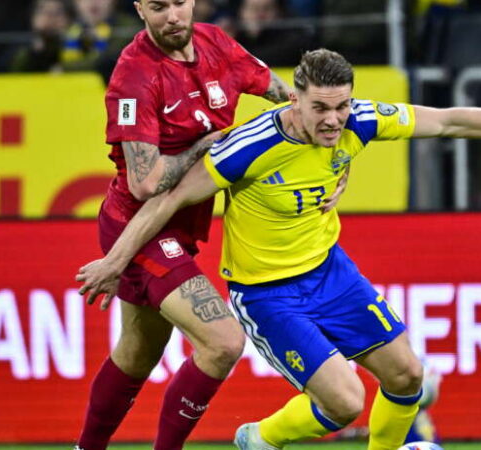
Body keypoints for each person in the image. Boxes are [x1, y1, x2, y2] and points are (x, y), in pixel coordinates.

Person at [76, 48, 481, 449]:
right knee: (346, 402)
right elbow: (167, 199)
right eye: (321, 109)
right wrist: (114, 261)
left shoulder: (360, 121)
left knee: (408, 375)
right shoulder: (250, 147)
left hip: (330, 273)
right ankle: (260, 438)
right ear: (295, 100)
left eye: (342, 106)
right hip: (267, 294)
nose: (334, 120)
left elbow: (448, 119)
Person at [71, 1, 313, 449]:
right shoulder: (133, 77)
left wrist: (329, 135)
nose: (173, 16)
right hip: (139, 227)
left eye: (180, 2)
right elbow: (145, 183)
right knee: (223, 342)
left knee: (136, 353)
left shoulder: (215, 41)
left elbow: (284, 94)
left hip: (180, 228)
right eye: (158, 6)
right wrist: (203, 148)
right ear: (139, 8)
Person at [9, 0, 74, 72]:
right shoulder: (18, 46)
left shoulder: (79, 42)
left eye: (58, 13)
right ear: (33, 18)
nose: (50, 18)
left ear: (69, 18)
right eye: (44, 11)